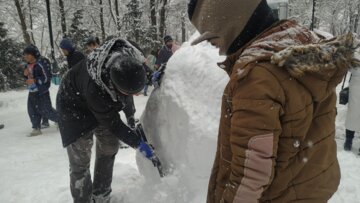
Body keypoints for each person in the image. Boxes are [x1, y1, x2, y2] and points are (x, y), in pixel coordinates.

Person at [188, 0, 358, 202]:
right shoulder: (304, 47)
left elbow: (250, 175)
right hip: (309, 188)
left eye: (215, 41)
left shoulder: (257, 77)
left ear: (233, 24)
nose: (219, 51)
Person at [56, 38, 154, 203]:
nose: (136, 96)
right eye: (130, 93)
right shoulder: (96, 91)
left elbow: (139, 72)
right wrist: (137, 143)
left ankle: (101, 195)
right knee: (80, 161)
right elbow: (113, 124)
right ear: (115, 86)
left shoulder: (129, 52)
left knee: (109, 146)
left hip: (96, 99)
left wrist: (152, 75)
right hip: (73, 107)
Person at [23, 45, 58, 136]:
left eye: (27, 54)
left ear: (33, 55)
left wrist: (35, 80)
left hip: (41, 92)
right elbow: (28, 78)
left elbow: (46, 78)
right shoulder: (27, 65)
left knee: (46, 110)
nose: (25, 56)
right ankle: (36, 128)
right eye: (24, 55)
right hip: (32, 92)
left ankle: (61, 120)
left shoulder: (40, 64)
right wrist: (25, 75)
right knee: (32, 110)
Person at [344, 69, 360, 153]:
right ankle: (348, 141)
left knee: (352, 115)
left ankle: (348, 141)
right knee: (352, 114)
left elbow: (349, 66)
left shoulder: (354, 55)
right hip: (356, 86)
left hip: (356, 84)